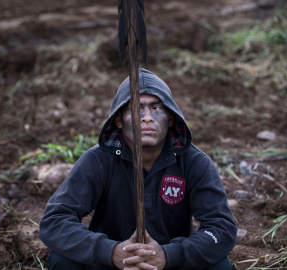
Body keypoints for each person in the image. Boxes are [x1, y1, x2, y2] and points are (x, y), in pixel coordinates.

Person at [39, 68, 237, 270]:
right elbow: (54, 221)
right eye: (136, 108)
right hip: (112, 265)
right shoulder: (98, 160)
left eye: (157, 108)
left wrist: (169, 255)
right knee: (61, 260)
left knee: (219, 265)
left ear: (170, 119)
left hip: (169, 265)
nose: (147, 117)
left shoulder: (195, 163)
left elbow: (222, 228)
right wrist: (111, 251)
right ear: (118, 119)